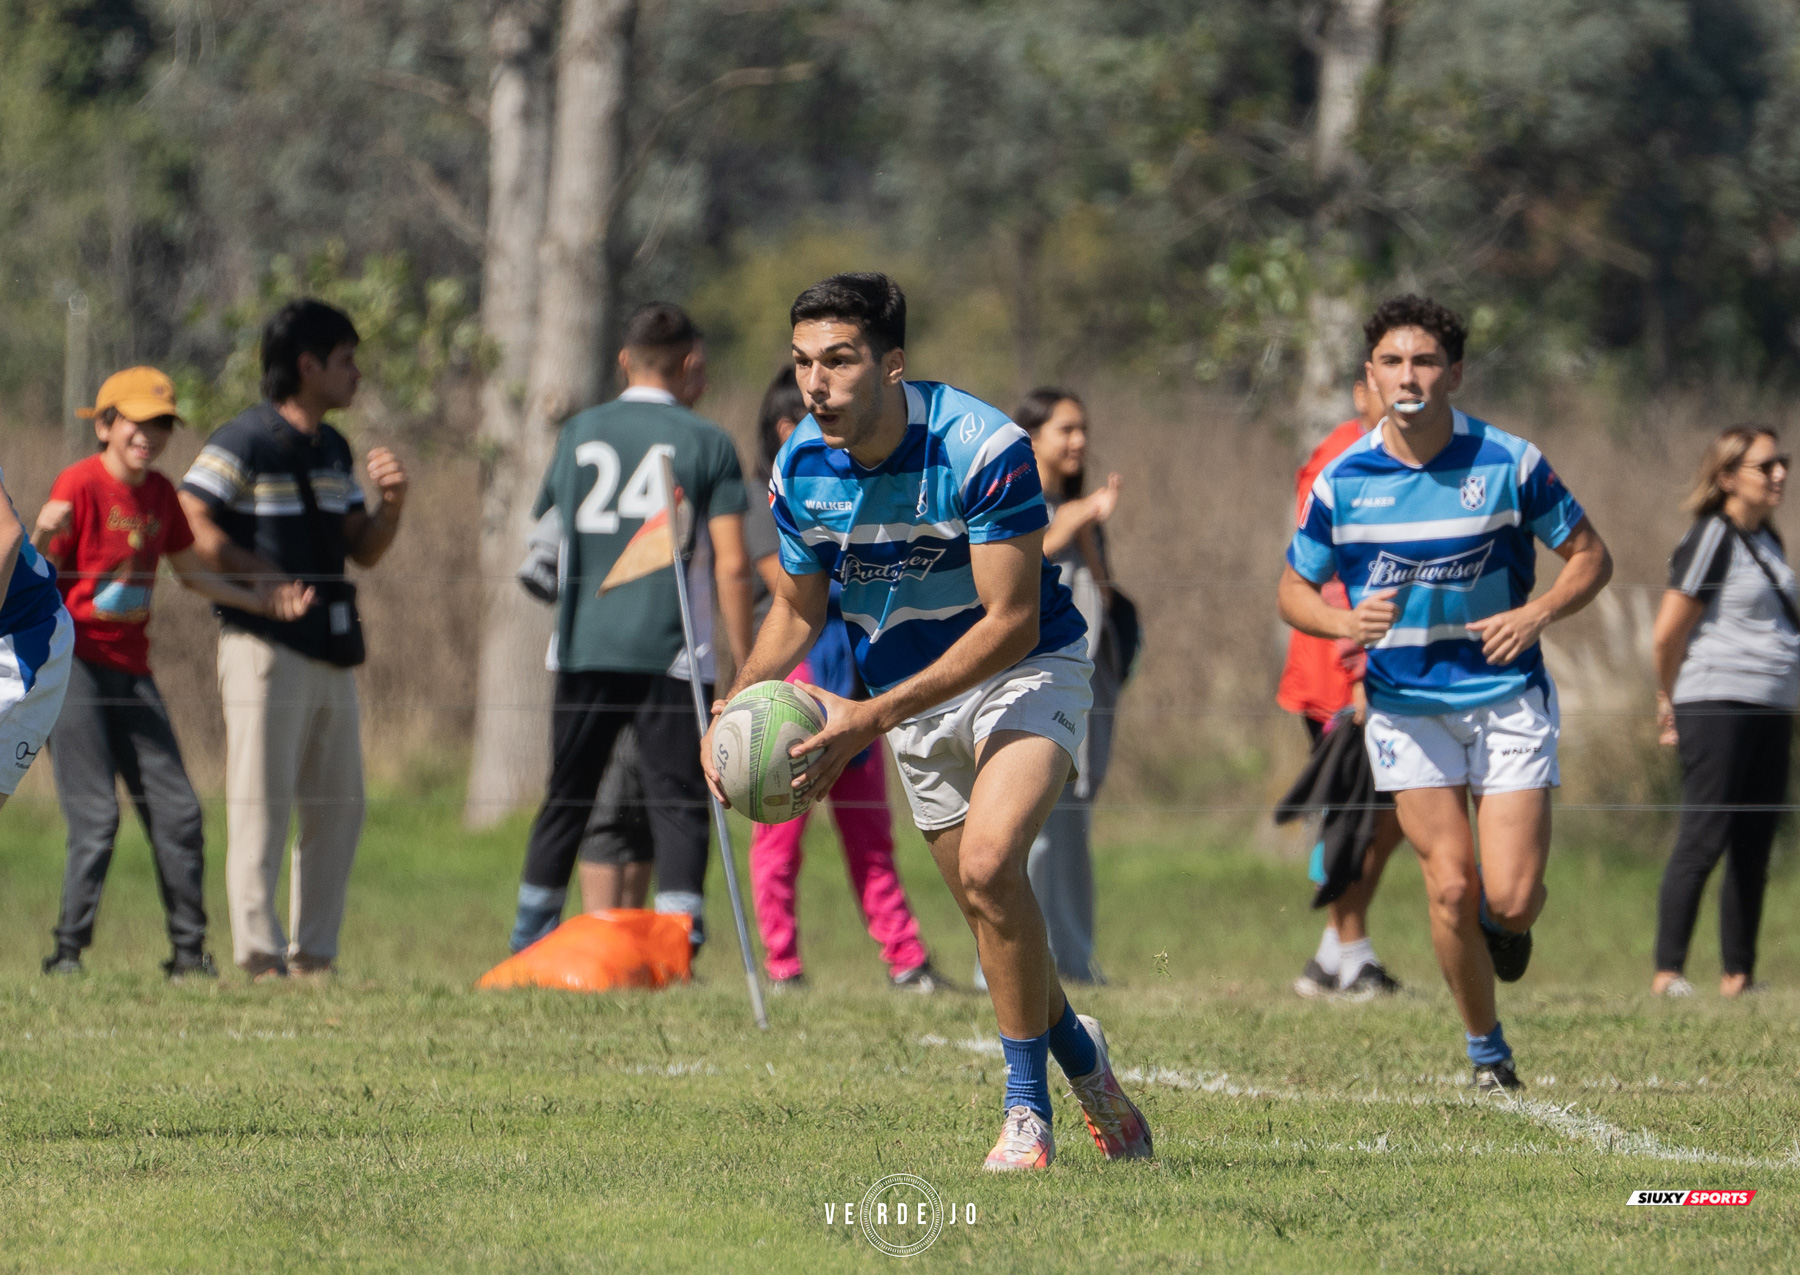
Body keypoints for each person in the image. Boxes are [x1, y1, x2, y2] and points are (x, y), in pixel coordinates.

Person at [703, 273, 1152, 1171]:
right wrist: (731, 705)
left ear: (893, 363)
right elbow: (794, 613)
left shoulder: (982, 446)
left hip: (1025, 671)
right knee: (992, 912)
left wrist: (868, 716)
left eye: (838, 360)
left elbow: (1009, 620)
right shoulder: (800, 466)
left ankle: (1028, 1115)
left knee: (992, 863)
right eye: (801, 364)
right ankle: (1082, 1058)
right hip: (909, 704)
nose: (815, 384)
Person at [1278, 295, 1612, 1093]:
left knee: (1513, 895)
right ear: (1370, 376)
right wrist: (1340, 619)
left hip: (1505, 696)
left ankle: (1507, 927)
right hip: (1403, 705)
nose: (1409, 375)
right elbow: (1292, 586)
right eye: (1392, 362)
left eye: (1425, 361)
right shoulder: (1342, 479)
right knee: (1451, 883)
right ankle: (1486, 1050)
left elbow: (1592, 556)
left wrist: (1536, 612)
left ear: (1454, 372)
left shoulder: (1510, 462)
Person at [37, 367, 313, 979]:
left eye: (162, 424)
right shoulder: (79, 485)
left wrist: (261, 600)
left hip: (131, 669)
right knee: (97, 817)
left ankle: (190, 956)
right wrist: (40, 532)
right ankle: (67, 955)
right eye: (138, 421)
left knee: (181, 811)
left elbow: (193, 574)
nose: (151, 435)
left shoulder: (160, 494)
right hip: (73, 665)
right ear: (105, 425)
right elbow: (35, 581)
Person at [509, 303, 753, 953]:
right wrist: (747, 659)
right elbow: (731, 562)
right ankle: (679, 942)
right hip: (673, 651)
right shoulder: (708, 442)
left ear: (625, 359)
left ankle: (530, 936)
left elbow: (550, 537)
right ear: (691, 362)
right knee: (677, 797)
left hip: (584, 646)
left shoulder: (581, 431)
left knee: (567, 794)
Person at [179, 299, 410, 980]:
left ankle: (314, 955)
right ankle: (257, 952)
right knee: (260, 801)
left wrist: (391, 504)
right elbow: (191, 516)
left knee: (340, 807)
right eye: (346, 360)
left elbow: (362, 549)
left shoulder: (334, 449)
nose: (356, 373)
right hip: (260, 648)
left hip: (328, 650)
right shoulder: (243, 439)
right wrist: (260, 575)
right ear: (307, 365)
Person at [741, 365, 944, 993]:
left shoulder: (853, 491)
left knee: (870, 833)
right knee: (779, 833)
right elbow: (791, 587)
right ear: (786, 426)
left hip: (855, 683)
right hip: (797, 685)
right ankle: (783, 967)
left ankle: (906, 960)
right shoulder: (766, 498)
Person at [972, 387, 1121, 988]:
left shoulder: (1080, 508)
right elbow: (1028, 559)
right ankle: (1006, 963)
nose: (1079, 441)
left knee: (1072, 822)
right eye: (1066, 429)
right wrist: (1080, 517)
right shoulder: (1013, 503)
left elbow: (1104, 589)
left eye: (1083, 428)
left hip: (1084, 678)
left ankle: (1073, 957)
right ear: (1029, 439)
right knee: (1018, 823)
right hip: (1026, 680)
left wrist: (1086, 520)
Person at [1650, 426, 1796, 999]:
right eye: (1767, 465)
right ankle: (1669, 974)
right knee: (1704, 835)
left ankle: (1738, 975)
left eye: (1782, 462)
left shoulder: (1770, 542)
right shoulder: (1711, 537)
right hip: (1715, 702)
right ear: (1728, 477)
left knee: (1755, 840)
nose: (1781, 473)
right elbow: (1667, 634)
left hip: (1771, 705)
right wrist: (1668, 697)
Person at [1277, 374, 1405, 999]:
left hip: (1383, 668)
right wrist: (1358, 675)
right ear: (1361, 393)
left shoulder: (1405, 459)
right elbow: (1325, 575)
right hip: (1339, 674)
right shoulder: (1342, 459)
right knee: (1358, 814)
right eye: (1388, 381)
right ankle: (1349, 952)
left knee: (1396, 811)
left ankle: (1334, 954)